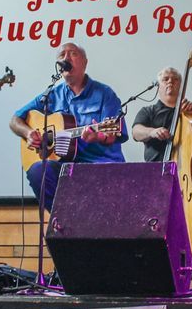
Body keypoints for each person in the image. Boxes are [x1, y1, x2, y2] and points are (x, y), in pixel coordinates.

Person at [9, 43, 128, 211]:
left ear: (85, 63)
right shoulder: (51, 95)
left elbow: (113, 134)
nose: (66, 58)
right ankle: (62, 223)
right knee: (38, 170)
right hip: (66, 166)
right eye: (62, 55)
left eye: (72, 53)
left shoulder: (105, 94)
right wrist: (28, 133)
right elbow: (15, 119)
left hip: (99, 164)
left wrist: (98, 136)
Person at [132, 66, 192, 162]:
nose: (170, 81)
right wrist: (151, 132)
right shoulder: (148, 111)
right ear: (158, 86)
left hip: (191, 168)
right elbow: (136, 132)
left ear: (182, 86)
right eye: (165, 79)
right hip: (156, 171)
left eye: (175, 79)